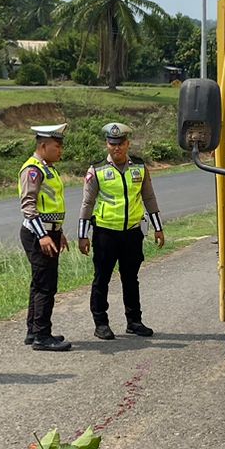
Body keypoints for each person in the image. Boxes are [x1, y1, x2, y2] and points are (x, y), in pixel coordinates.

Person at [78, 121, 165, 339]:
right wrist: (82, 235)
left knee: (131, 278)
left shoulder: (139, 167)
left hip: (132, 233)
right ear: (107, 144)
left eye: (120, 144)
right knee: (102, 278)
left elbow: (149, 197)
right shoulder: (97, 170)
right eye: (111, 143)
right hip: (105, 233)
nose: (116, 148)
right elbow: (87, 203)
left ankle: (134, 321)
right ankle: (101, 323)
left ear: (127, 144)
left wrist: (158, 228)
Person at [19, 124, 71, 351]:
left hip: (49, 232)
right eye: (57, 146)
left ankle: (34, 330)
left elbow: (51, 204)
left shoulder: (48, 168)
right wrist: (43, 235)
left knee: (39, 283)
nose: (60, 150)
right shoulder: (33, 170)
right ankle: (42, 335)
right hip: (37, 233)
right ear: (43, 146)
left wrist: (58, 232)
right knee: (45, 285)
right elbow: (28, 207)